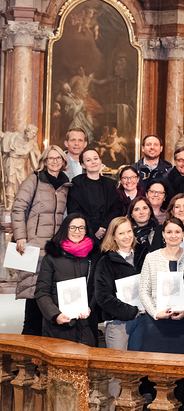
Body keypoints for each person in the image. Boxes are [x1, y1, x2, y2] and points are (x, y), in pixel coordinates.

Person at [11, 145, 71, 336]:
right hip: (33, 244)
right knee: (33, 293)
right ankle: (29, 343)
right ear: (44, 161)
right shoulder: (34, 180)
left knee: (49, 294)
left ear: (63, 161)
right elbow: (18, 208)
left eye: (58, 158)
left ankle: (45, 342)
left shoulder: (65, 185)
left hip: (55, 247)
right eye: (50, 158)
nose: (54, 161)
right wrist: (20, 236)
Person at [35, 215, 99, 345]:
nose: (77, 231)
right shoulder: (52, 257)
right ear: (65, 229)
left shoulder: (94, 256)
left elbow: (97, 288)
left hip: (86, 324)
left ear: (86, 230)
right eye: (73, 227)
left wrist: (90, 307)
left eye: (81, 228)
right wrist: (55, 315)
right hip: (58, 326)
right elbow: (42, 291)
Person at [137, 217, 184, 353]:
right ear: (163, 234)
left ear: (183, 234)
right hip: (156, 323)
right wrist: (156, 313)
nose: (173, 236)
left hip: (183, 322)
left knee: (181, 363)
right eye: (169, 232)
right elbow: (144, 291)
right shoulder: (151, 258)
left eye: (177, 232)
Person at [94, 216, 146, 351]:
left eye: (129, 231)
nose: (126, 236)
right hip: (118, 323)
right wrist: (130, 312)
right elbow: (103, 297)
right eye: (121, 233)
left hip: (143, 321)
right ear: (113, 237)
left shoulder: (143, 255)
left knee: (140, 362)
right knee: (118, 363)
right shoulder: (105, 262)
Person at [67, 147, 119, 239]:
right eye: (88, 160)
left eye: (95, 158)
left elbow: (115, 210)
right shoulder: (76, 184)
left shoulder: (110, 185)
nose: (93, 162)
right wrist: (90, 231)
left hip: (107, 234)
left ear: (100, 161)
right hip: (83, 234)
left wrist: (103, 228)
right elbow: (74, 211)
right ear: (83, 165)